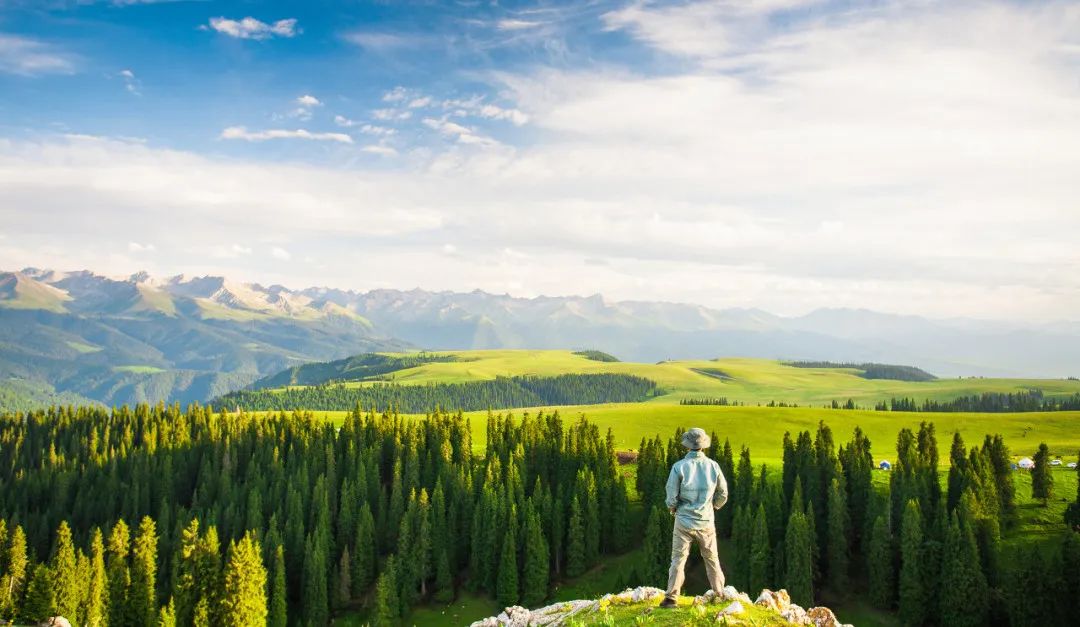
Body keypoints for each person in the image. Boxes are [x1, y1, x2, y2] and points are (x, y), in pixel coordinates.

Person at [659, 427, 728, 608]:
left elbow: (671, 497)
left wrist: (673, 509)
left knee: (678, 559)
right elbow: (723, 493)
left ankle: (671, 598)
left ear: (687, 446)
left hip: (683, 521)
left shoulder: (678, 467)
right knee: (712, 558)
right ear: (703, 445)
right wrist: (713, 507)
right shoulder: (713, 466)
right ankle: (719, 593)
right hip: (706, 521)